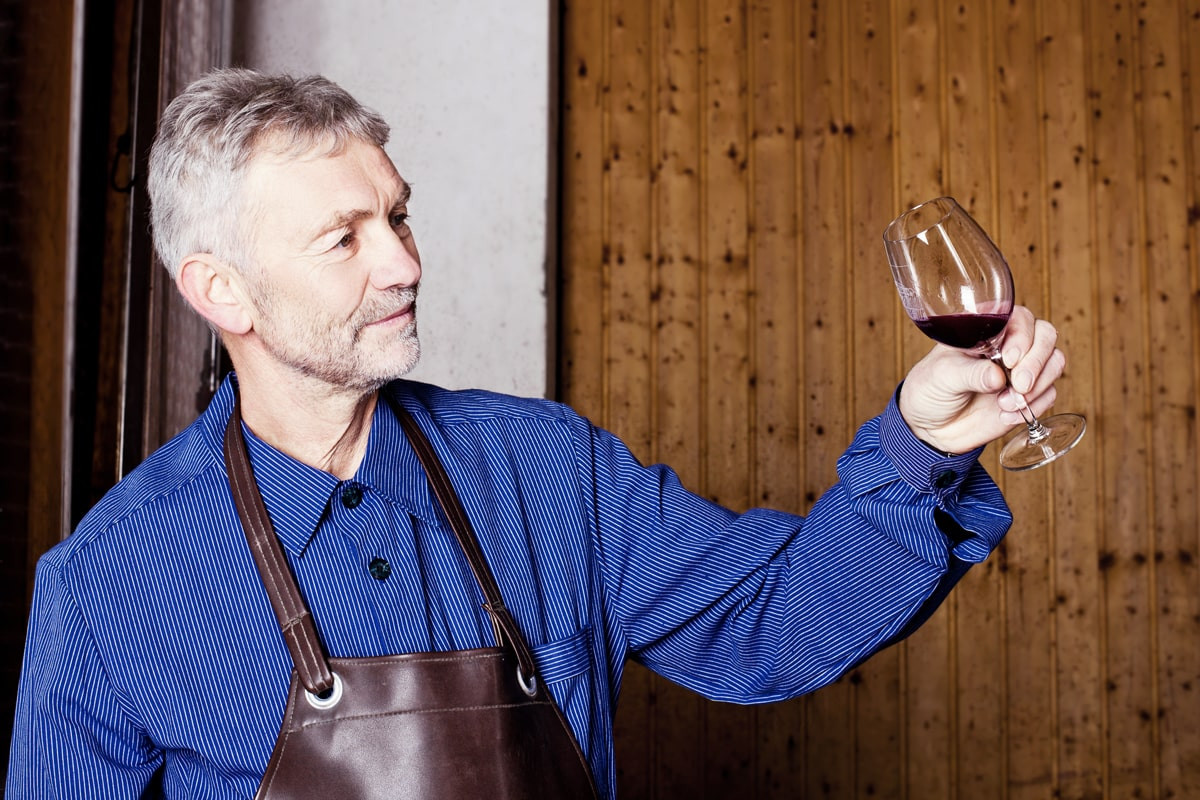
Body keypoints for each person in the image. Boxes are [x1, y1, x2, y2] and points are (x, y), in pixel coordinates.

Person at [7, 69, 1066, 799]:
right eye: (344, 238)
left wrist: (921, 444)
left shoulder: (549, 469)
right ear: (221, 291)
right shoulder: (107, 583)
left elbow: (775, 622)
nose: (405, 263)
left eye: (398, 216)